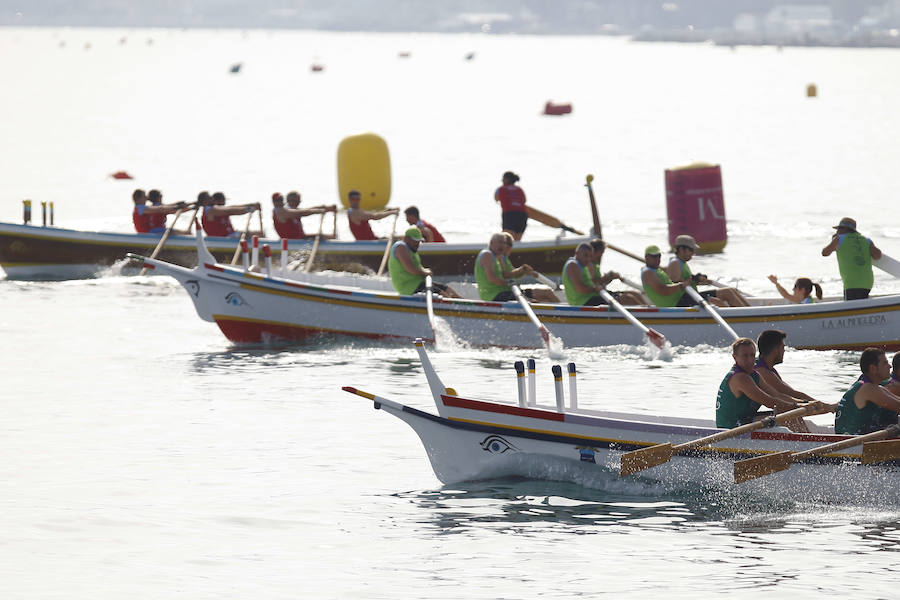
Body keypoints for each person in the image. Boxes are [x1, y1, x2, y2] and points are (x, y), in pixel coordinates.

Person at [716, 338, 816, 432]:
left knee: (790, 414)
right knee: (788, 417)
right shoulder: (740, 378)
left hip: (746, 419)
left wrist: (807, 403)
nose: (750, 360)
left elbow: (777, 395)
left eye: (752, 355)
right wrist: (799, 406)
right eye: (745, 356)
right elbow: (770, 402)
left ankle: (808, 439)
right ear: (735, 357)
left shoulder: (755, 375)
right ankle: (809, 441)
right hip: (731, 427)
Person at [666, 234, 749, 307]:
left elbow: (686, 280)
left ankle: (749, 311)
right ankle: (744, 316)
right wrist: (694, 279)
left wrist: (698, 280)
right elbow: (675, 282)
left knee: (730, 290)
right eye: (691, 250)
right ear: (681, 249)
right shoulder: (675, 263)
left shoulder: (682, 263)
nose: (693, 253)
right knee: (724, 296)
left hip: (693, 296)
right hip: (685, 300)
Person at [475, 233, 557, 303]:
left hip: (504, 292)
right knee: (538, 298)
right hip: (494, 295)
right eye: (500, 242)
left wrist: (523, 271)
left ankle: (558, 312)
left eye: (504, 243)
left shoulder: (496, 256)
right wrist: (509, 282)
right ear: (491, 242)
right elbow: (492, 279)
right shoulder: (487, 255)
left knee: (543, 299)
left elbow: (509, 275)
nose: (503, 246)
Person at [834, 348, 900, 434]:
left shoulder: (872, 386)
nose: (890, 366)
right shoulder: (868, 389)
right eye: (885, 363)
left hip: (858, 436)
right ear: (873, 368)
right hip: (851, 440)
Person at [388, 227, 460, 297]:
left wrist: (425, 270)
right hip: (409, 287)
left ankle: (464, 303)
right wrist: (425, 272)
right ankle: (450, 305)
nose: (417, 243)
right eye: (415, 240)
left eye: (419, 241)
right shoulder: (401, 247)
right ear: (407, 238)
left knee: (447, 289)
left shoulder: (411, 249)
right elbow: (412, 270)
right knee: (442, 294)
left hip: (418, 283)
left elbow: (418, 267)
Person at [821, 217, 882, 300]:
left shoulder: (839, 239)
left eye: (839, 229)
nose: (837, 231)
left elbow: (825, 253)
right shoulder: (867, 240)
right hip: (867, 283)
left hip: (851, 283)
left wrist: (833, 240)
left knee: (852, 307)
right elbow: (878, 256)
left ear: (845, 229)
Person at [754, 330, 822, 404]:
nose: (784, 351)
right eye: (783, 347)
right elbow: (792, 394)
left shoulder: (768, 369)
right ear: (775, 350)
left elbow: (790, 394)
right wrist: (822, 405)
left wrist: (817, 404)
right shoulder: (762, 372)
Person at [587, 239, 645, 305]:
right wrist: (607, 277)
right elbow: (593, 284)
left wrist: (610, 278)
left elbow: (600, 283)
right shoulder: (589, 265)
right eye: (602, 253)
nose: (601, 256)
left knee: (636, 294)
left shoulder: (595, 264)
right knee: (628, 298)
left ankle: (647, 309)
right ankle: (646, 310)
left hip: (602, 293)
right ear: (597, 252)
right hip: (595, 297)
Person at [494, 171, 528, 241]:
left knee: (507, 239)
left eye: (503, 179)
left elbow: (496, 199)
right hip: (522, 214)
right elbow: (524, 200)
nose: (501, 180)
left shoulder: (500, 189)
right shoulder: (519, 189)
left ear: (507, 179)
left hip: (509, 214)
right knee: (517, 240)